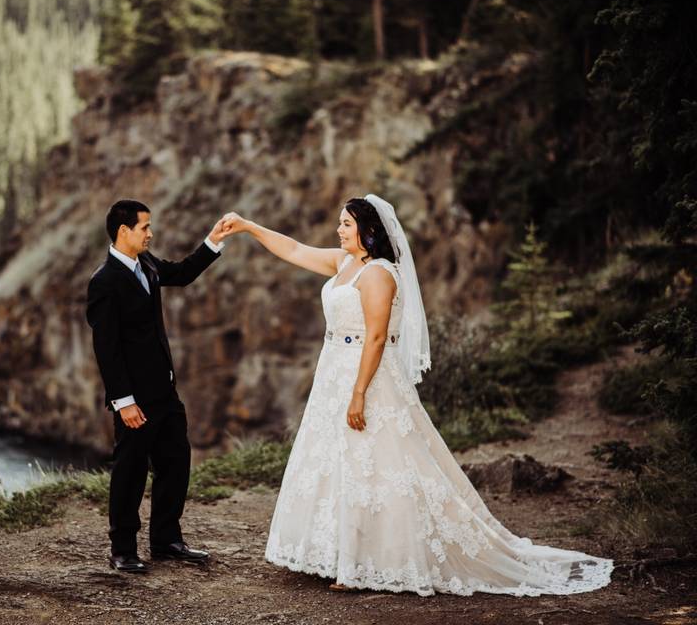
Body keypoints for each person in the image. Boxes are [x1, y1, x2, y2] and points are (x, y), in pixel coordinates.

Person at [219, 195, 613, 595]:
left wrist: (358, 394)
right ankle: (340, 553)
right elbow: (294, 249)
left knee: (373, 461)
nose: (338, 230)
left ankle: (362, 563)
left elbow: (375, 337)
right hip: (333, 371)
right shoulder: (344, 264)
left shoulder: (378, 274)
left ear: (368, 231)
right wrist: (249, 227)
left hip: (365, 376)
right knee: (339, 461)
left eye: (346, 224)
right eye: (340, 223)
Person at [86, 199, 236, 574]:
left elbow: (183, 273)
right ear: (124, 231)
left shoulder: (148, 265)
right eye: (145, 227)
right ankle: (122, 549)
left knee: (176, 462)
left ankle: (166, 541)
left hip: (165, 392)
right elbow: (107, 349)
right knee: (130, 473)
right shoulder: (104, 282)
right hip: (134, 399)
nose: (150, 234)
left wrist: (213, 241)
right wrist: (124, 401)